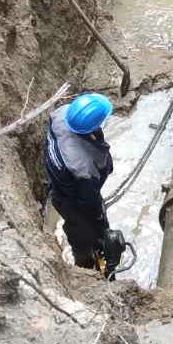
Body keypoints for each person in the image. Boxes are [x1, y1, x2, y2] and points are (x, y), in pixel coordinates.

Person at [44, 92, 125, 278]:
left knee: (85, 225)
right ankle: (87, 269)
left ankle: (89, 258)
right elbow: (89, 203)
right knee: (84, 235)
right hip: (72, 201)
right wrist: (99, 223)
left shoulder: (60, 115)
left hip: (58, 184)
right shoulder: (84, 167)